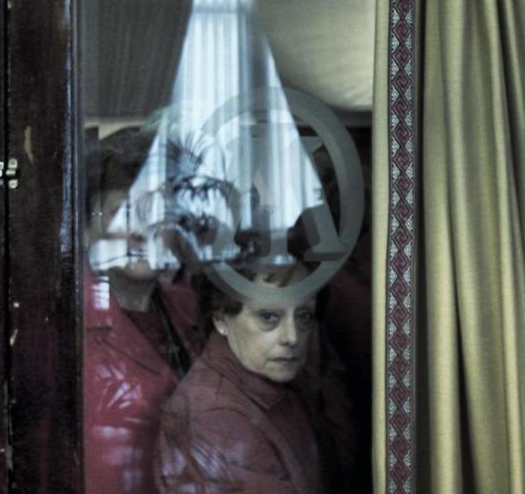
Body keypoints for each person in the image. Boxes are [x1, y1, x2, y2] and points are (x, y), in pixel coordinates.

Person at [154, 266, 356, 493]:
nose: (292, 336)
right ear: (221, 318)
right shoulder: (217, 415)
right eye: (268, 317)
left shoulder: (289, 382)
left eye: (304, 316)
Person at [84, 127, 208, 494]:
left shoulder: (194, 310)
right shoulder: (63, 323)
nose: (142, 231)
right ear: (88, 228)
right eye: (123, 212)